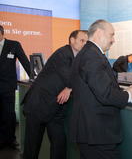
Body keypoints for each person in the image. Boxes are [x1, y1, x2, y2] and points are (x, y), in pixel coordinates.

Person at [70, 19, 132, 159]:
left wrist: (122, 91)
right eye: (111, 35)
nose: (113, 40)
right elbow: (104, 94)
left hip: (92, 132)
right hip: (96, 132)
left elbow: (100, 85)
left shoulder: (89, 53)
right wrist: (128, 95)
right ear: (98, 33)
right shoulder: (92, 55)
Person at [22, 30, 88, 159]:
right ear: (72, 40)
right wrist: (70, 87)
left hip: (56, 107)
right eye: (82, 40)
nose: (84, 44)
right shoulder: (64, 53)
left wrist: (69, 88)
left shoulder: (78, 57)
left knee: (59, 144)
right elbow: (71, 79)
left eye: (86, 41)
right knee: (32, 148)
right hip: (39, 105)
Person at [0, 25, 31, 149]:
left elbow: (24, 61)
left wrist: (34, 76)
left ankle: (11, 139)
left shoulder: (14, 45)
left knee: (9, 113)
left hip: (7, 86)